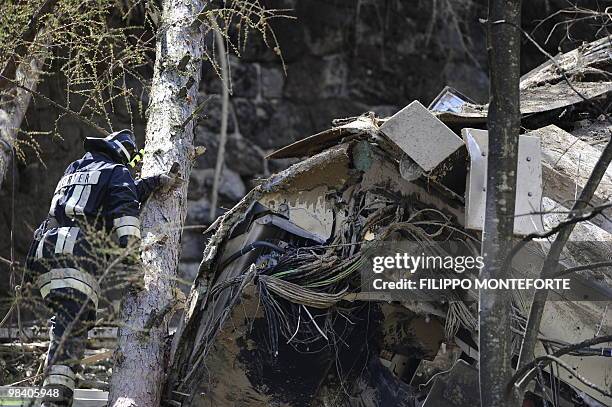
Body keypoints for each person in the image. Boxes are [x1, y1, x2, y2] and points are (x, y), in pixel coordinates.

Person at [25, 129, 179, 406]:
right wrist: (133, 264)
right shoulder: (117, 171)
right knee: (71, 324)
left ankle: (56, 389)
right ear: (123, 155)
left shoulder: (75, 171)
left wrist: (153, 182)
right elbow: (124, 216)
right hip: (76, 254)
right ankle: (55, 398)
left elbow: (113, 194)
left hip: (46, 253)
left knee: (65, 319)